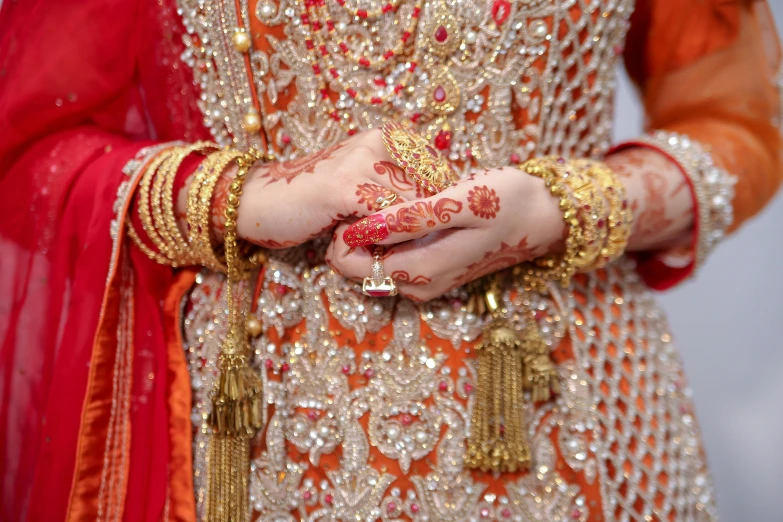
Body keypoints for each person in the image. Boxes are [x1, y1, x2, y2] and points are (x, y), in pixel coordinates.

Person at [1, 0, 780, 520]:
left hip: (563, 407)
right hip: (252, 427)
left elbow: (736, 122)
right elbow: (28, 145)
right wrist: (248, 196)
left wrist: (560, 208)